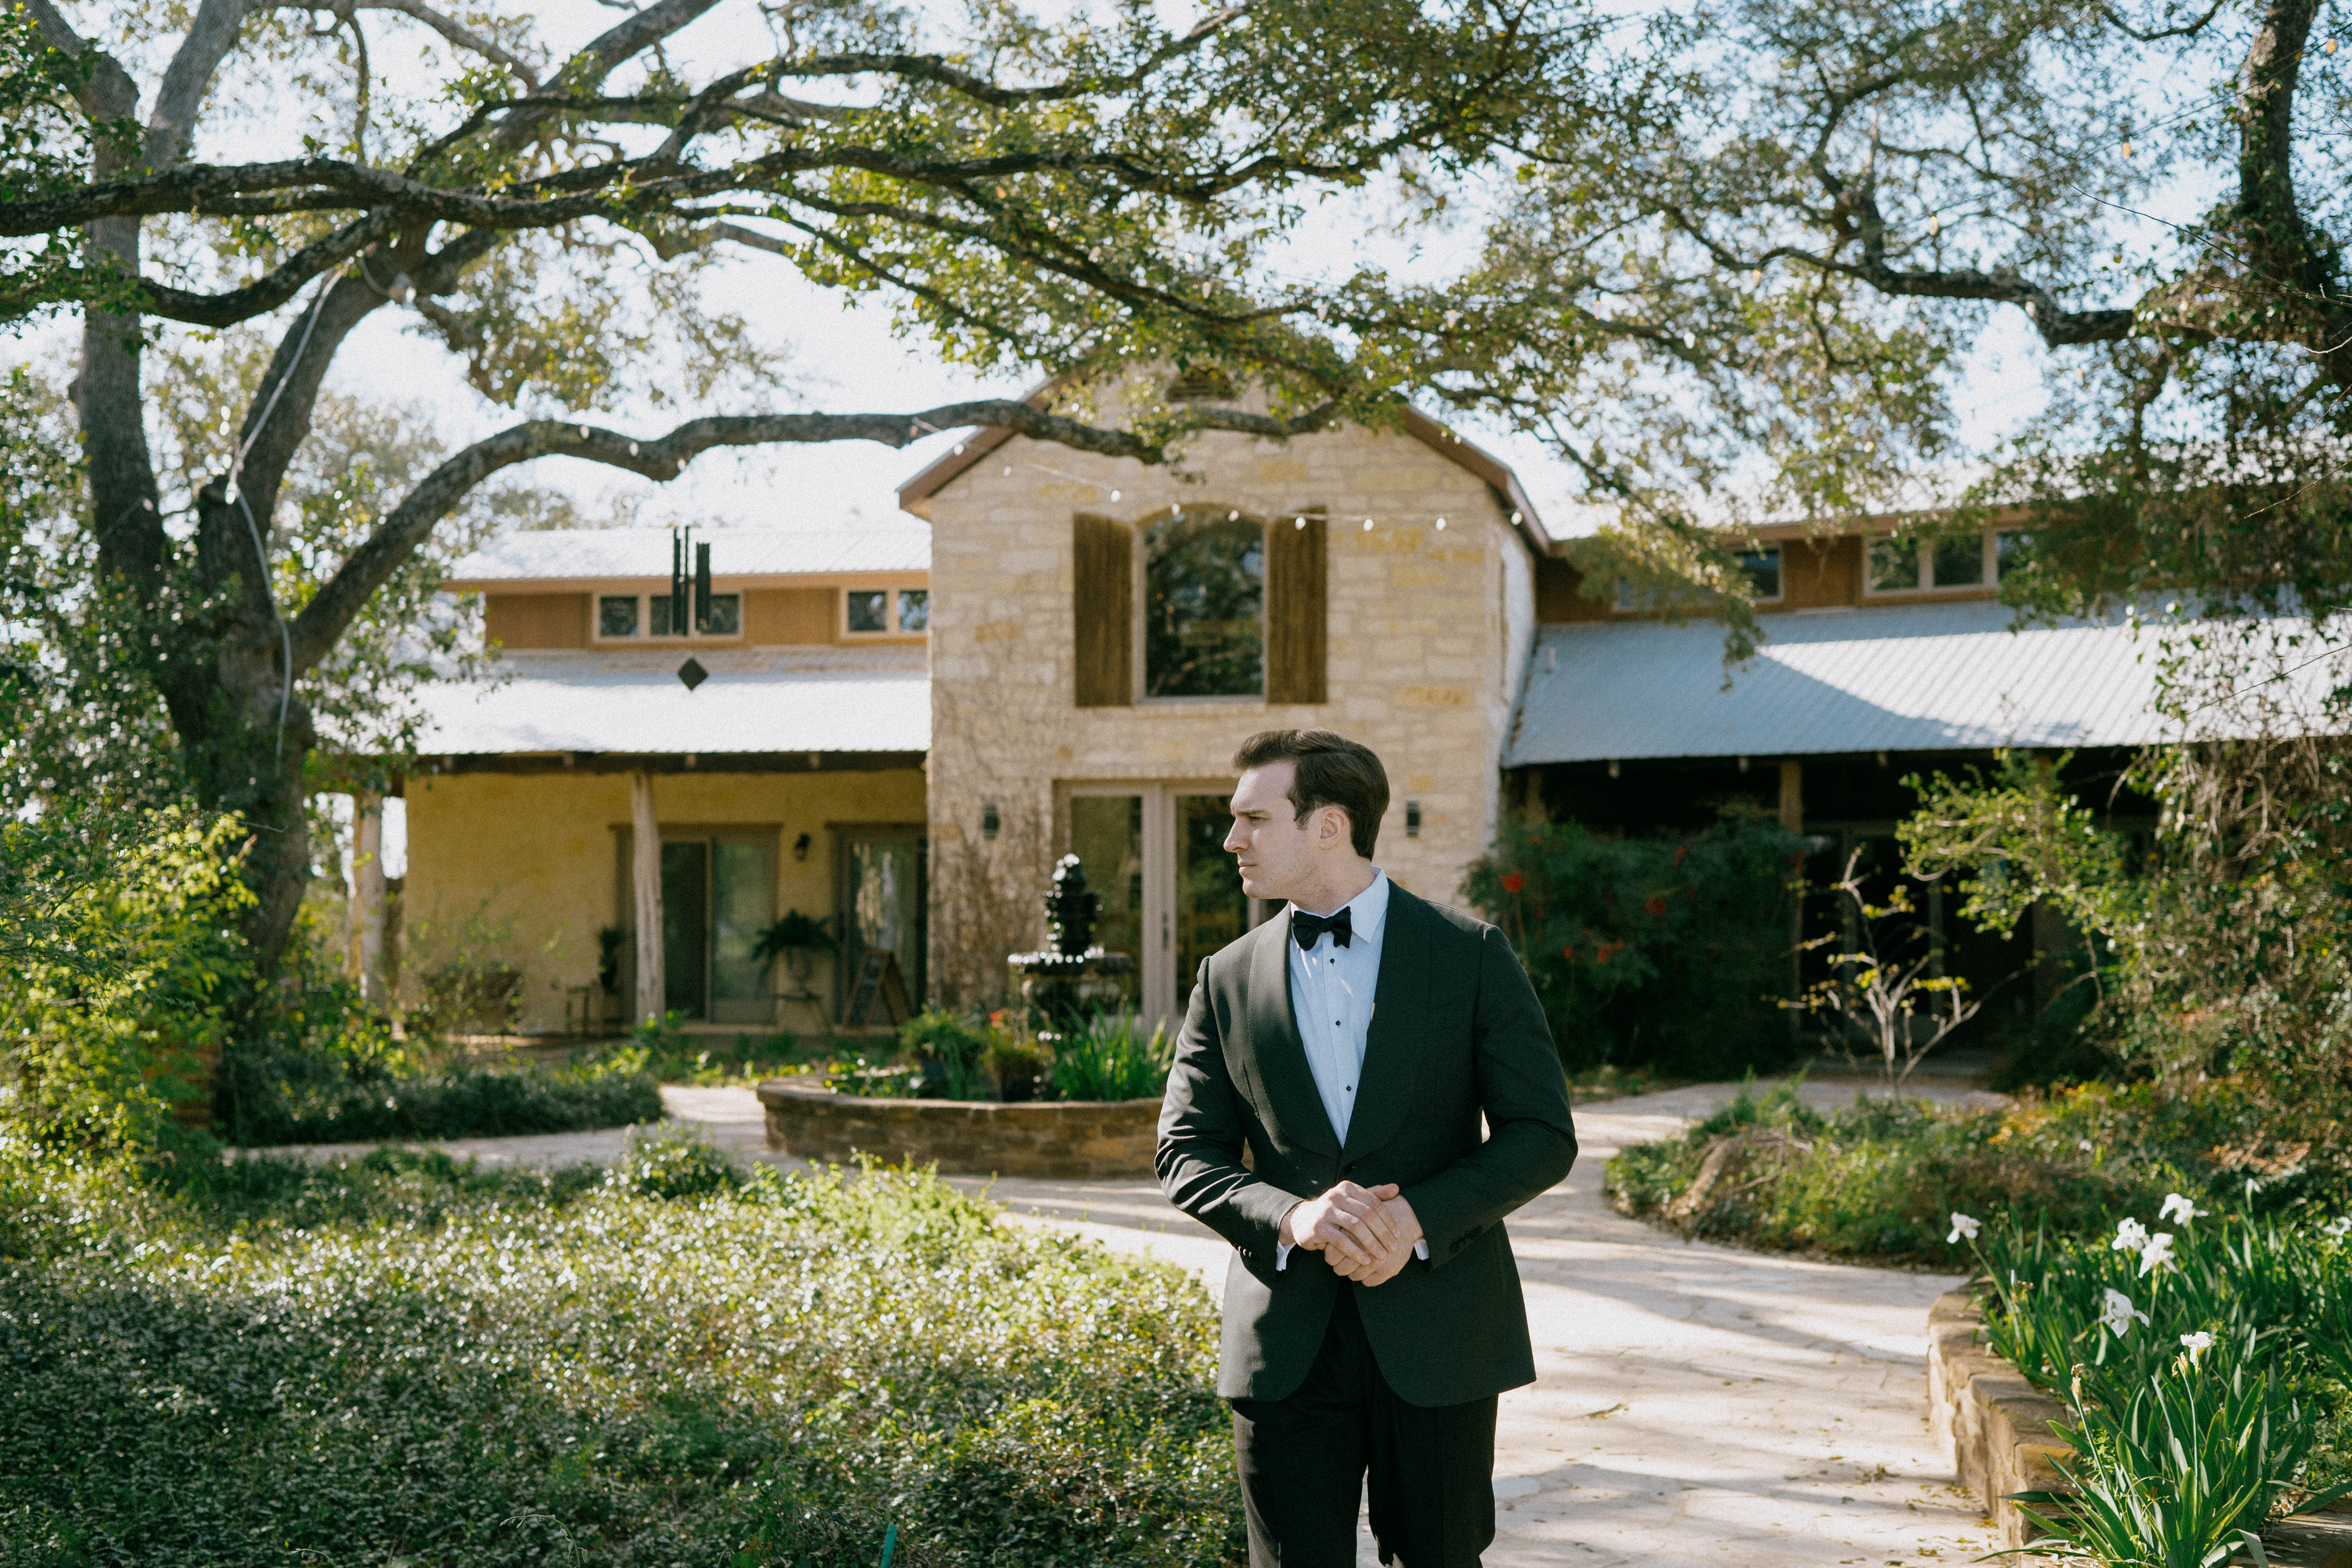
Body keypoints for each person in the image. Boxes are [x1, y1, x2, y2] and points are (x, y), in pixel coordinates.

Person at [1156, 728, 1577, 1568]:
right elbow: (1185, 1151)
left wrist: (1414, 1220)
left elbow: (1542, 1135)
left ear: (1329, 825)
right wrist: (1293, 1216)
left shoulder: (1471, 957)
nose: (1232, 839)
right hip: (1287, 1344)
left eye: (1253, 818)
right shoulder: (1225, 977)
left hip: (1442, 1330)